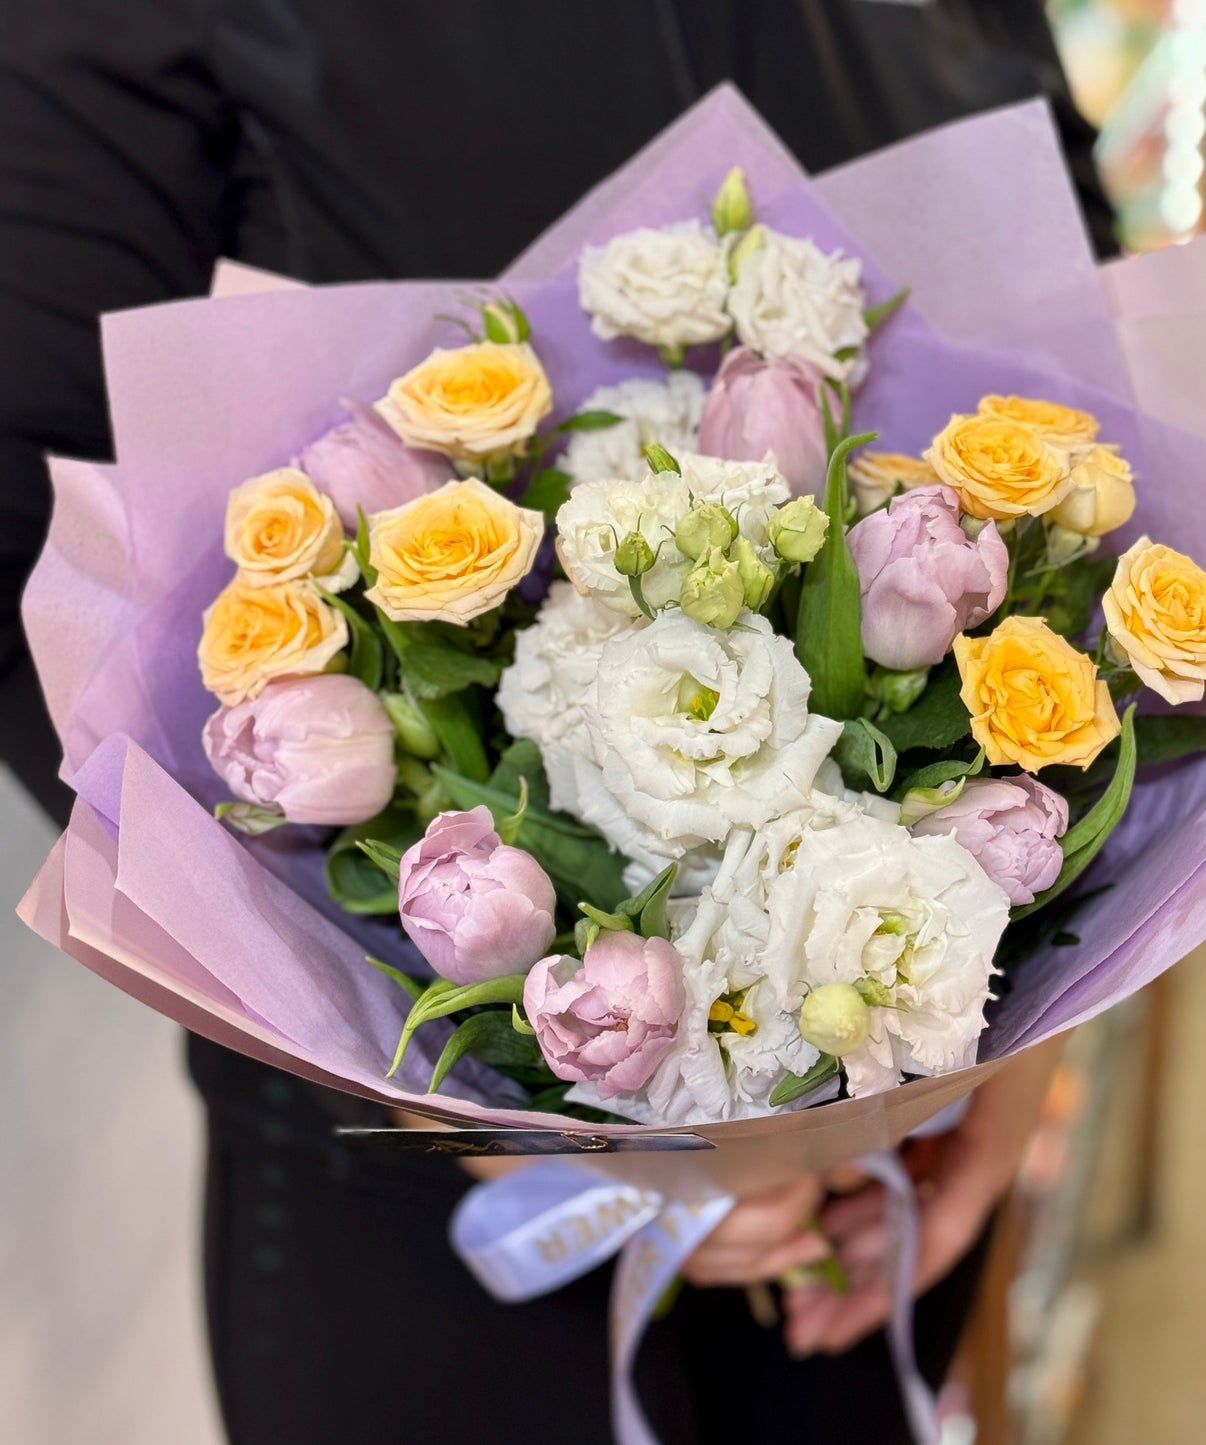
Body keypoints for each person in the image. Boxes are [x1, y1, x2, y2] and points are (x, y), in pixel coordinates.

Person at [0, 3, 1111, 1440]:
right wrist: (462, 1088)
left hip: (883, 1119)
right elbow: (23, 525)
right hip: (416, 1163)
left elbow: (1084, 336)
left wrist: (1022, 1021)